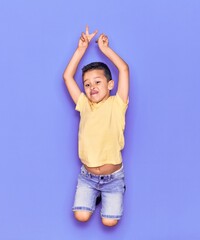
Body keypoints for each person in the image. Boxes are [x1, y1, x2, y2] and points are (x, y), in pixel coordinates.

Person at [63, 25, 129, 227]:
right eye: (87, 84)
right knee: (81, 217)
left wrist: (106, 50)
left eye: (97, 82)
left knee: (109, 222)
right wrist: (80, 50)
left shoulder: (117, 104)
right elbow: (67, 77)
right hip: (88, 177)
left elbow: (124, 69)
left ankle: (110, 193)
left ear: (110, 85)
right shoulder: (84, 105)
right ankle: (94, 194)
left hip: (113, 178)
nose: (92, 88)